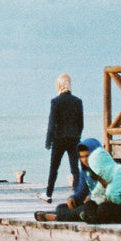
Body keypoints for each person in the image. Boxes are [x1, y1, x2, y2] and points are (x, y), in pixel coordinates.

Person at [35, 138, 100, 222]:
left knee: (86, 209)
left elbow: (106, 191)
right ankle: (66, 214)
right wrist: (73, 198)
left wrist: (92, 197)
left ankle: (56, 217)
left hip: (100, 203)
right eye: (82, 157)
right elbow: (82, 191)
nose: (85, 160)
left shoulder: (104, 169)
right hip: (89, 203)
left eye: (87, 156)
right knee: (61, 207)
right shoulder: (85, 171)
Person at [44, 74, 84, 203]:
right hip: (74, 138)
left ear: (59, 86)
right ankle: (78, 195)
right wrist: (77, 135)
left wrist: (48, 141)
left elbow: (52, 123)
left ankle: (49, 194)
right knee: (75, 168)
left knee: (54, 168)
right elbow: (81, 123)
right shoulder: (78, 101)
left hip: (59, 138)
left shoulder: (55, 101)